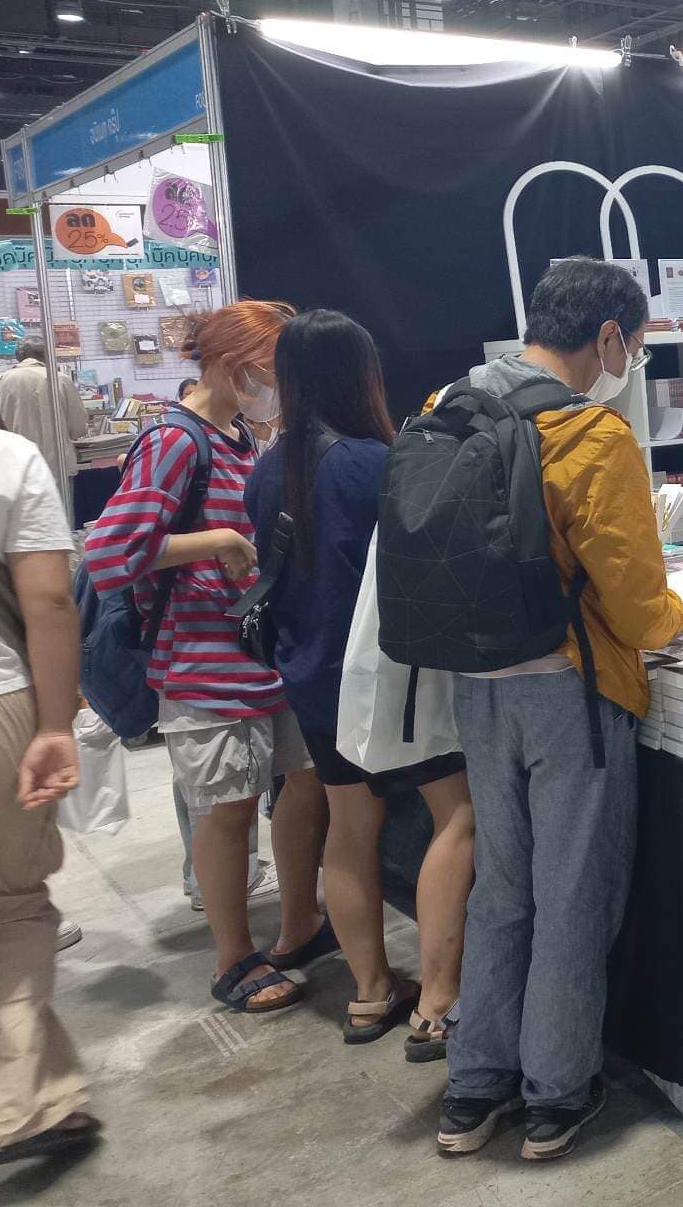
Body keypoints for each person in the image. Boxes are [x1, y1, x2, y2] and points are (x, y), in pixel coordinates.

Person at [433, 257, 683, 1162]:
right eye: (636, 345)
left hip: (475, 681)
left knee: (502, 888)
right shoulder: (590, 432)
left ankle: (474, 1086)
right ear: (609, 336)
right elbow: (630, 591)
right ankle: (556, 1092)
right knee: (574, 892)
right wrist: (681, 619)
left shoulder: (451, 404)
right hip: (569, 687)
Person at [84, 300, 333, 1014]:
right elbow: (109, 550)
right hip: (202, 661)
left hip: (258, 654)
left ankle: (299, 923)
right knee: (228, 810)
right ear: (232, 367)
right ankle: (234, 959)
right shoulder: (175, 440)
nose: (277, 385)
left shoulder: (238, 435)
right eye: (270, 370)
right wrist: (218, 541)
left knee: (303, 784)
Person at [242, 310, 474, 1055]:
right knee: (458, 818)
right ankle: (439, 999)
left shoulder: (268, 468)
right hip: (393, 678)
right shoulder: (375, 463)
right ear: (361, 374)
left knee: (349, 829)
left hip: (311, 676)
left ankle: (371, 993)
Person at [0, 427, 102, 1167]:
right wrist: (58, 724)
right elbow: (50, 601)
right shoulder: (5, 458)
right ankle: (25, 1102)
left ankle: (39, 1093)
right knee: (8, 906)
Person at [0, 336, 87, 487]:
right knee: (60, 501)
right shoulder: (60, 379)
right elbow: (78, 428)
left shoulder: (2, 380)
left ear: (19, 356)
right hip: (56, 465)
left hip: (15, 464)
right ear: (47, 355)